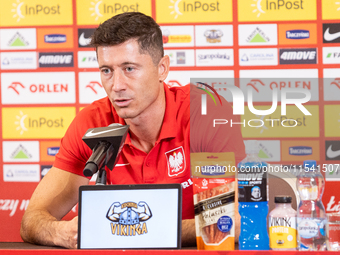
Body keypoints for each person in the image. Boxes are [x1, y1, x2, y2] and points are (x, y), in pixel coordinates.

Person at [20, 12, 245, 249]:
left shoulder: (207, 114)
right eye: (106, 70)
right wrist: (59, 232)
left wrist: (124, 231)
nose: (116, 85)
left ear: (162, 69)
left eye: (129, 68)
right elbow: (32, 221)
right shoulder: (92, 123)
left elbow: (227, 224)